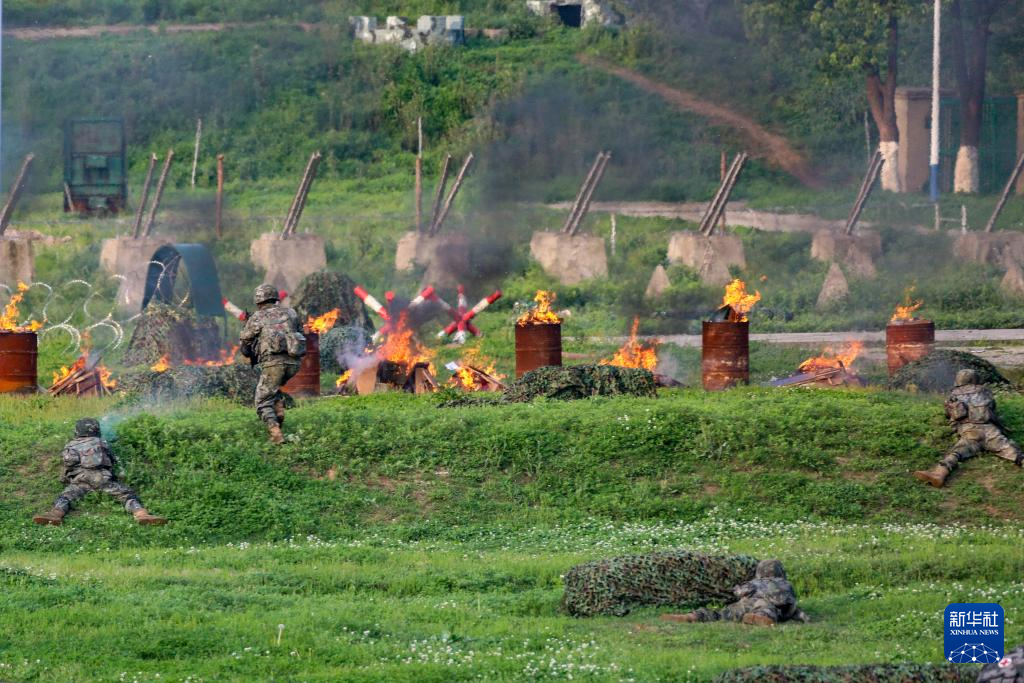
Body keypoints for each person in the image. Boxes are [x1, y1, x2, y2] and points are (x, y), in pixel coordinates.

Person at [33, 418, 166, 526]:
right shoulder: (102, 442)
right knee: (126, 495)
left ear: (77, 431)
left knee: (66, 496)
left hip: (81, 480)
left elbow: (69, 462)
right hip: (103, 479)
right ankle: (141, 514)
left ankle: (55, 515)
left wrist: (66, 478)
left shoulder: (71, 445)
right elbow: (113, 460)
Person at [914, 369, 1023, 487]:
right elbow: (992, 407)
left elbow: (949, 414)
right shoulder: (984, 390)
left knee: (956, 453)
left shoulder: (953, 394)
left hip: (970, 431)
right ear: (975, 378)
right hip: (989, 430)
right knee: (1012, 451)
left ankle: (939, 474)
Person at [239, 284, 306, 444]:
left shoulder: (257, 317)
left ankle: (276, 434)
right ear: (275, 298)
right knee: (272, 390)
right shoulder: (291, 313)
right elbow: (301, 333)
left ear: (258, 300)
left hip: (273, 364)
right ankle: (279, 410)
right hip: (294, 363)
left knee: (262, 401)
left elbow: (245, 347)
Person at [661, 559, 808, 626]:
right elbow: (791, 604)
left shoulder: (754, 582)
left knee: (720, 614)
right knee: (767, 610)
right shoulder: (785, 583)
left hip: (746, 603)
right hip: (766, 605)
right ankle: (759, 618)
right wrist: (803, 617)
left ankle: (692, 616)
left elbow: (739, 592)